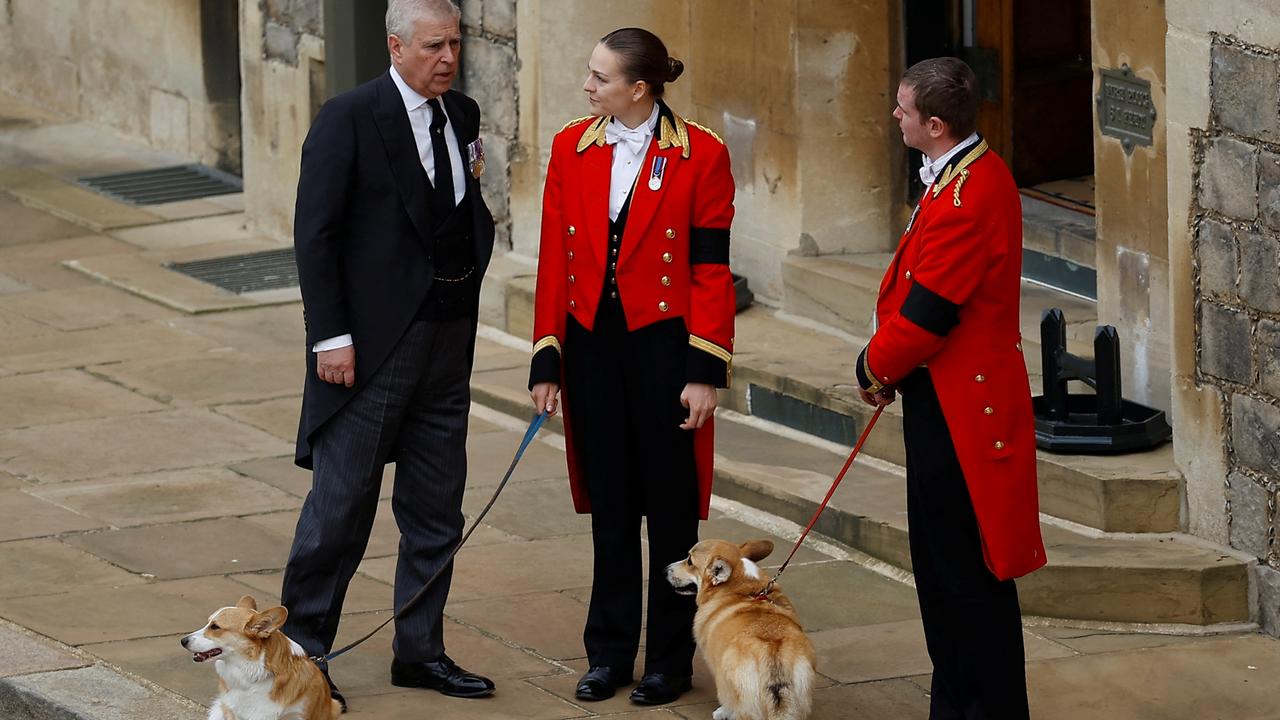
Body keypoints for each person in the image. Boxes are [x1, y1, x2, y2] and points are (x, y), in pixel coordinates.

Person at [282, 0, 497, 708]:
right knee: (340, 507)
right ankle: (303, 654)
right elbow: (316, 234)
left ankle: (421, 651)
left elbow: (467, 214)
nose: (448, 57)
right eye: (434, 45)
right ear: (396, 45)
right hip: (371, 349)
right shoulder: (348, 116)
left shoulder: (459, 115)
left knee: (437, 509)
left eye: (455, 44)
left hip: (447, 342)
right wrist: (331, 337)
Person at [527, 27, 736, 707]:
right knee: (611, 509)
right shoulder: (570, 146)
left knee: (671, 515)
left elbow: (710, 270)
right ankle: (608, 653)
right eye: (590, 76)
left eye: (599, 78)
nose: (587, 87)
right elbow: (554, 261)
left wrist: (704, 371)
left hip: (665, 352)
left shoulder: (702, 153)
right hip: (592, 350)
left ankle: (670, 661)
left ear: (638, 88)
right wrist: (547, 359)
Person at [854, 57, 1046, 718]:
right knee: (940, 572)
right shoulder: (957, 176)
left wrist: (873, 368)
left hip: (965, 407)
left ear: (934, 125)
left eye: (903, 110)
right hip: (941, 396)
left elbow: (930, 312)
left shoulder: (969, 195)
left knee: (965, 575)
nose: (895, 117)